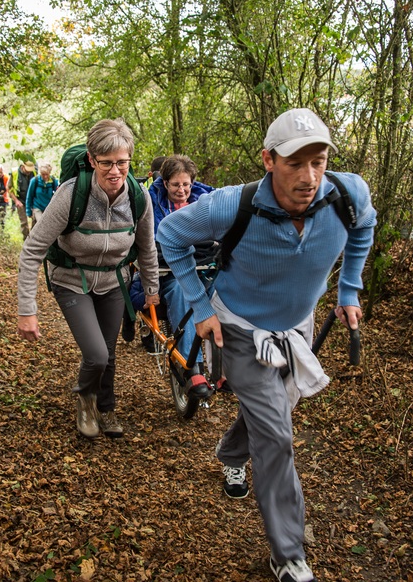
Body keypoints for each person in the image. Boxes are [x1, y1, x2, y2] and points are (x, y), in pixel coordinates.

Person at [156, 108, 376, 582]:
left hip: (297, 327)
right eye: (295, 163)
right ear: (268, 160)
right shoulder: (231, 205)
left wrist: (349, 289)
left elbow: (364, 228)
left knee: (274, 410)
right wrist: (200, 306)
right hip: (238, 328)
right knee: (276, 432)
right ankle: (288, 553)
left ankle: (232, 454)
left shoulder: (348, 195)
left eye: (318, 161)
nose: (309, 175)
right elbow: (169, 234)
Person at [17, 118, 160, 440]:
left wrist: (152, 289)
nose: (115, 171)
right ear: (93, 160)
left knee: (108, 352)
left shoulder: (139, 198)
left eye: (122, 163)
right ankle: (86, 397)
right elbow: (32, 250)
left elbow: (146, 247)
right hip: (71, 279)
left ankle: (106, 407)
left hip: (114, 281)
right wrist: (27, 309)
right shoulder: (71, 195)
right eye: (106, 163)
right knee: (96, 354)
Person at [148, 154, 216, 398]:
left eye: (186, 184)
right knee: (181, 291)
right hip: (168, 272)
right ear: (165, 183)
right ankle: (192, 367)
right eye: (176, 185)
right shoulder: (153, 204)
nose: (182, 190)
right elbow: (152, 241)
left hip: (203, 266)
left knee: (226, 291)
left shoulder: (206, 201)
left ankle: (228, 364)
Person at [120, 155, 166, 342]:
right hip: (141, 242)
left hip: (158, 246)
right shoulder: (142, 192)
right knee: (128, 280)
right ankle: (129, 320)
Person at [7, 160, 36, 240]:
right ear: (23, 167)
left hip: (31, 200)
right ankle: (26, 240)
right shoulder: (15, 173)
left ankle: (33, 239)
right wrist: (16, 201)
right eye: (27, 170)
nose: (28, 172)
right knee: (24, 223)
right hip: (20, 200)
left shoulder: (34, 173)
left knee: (35, 219)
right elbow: (9, 188)